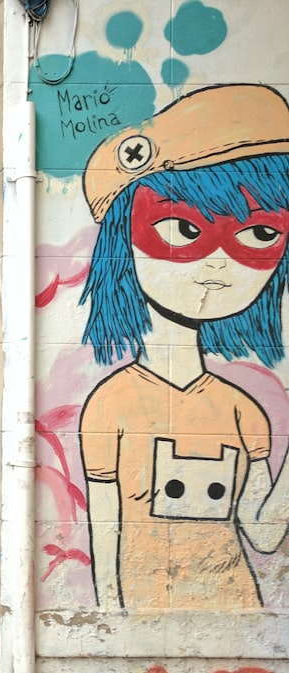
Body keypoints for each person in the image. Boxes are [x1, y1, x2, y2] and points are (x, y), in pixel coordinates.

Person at [79, 84, 289, 609]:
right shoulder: (111, 405)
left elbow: (262, 534)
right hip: (141, 618)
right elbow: (106, 536)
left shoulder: (243, 411)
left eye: (260, 235)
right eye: (181, 228)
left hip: (237, 610)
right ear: (121, 245)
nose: (220, 263)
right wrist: (110, 617)